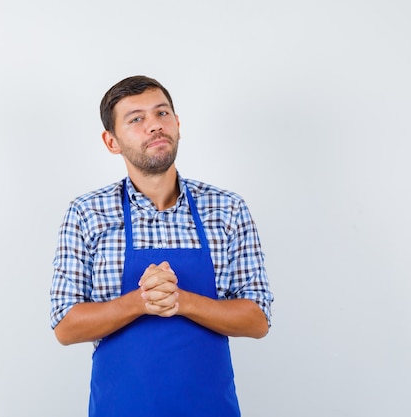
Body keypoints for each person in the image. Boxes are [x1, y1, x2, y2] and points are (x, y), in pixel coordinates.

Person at [50, 75, 273, 417]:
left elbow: (257, 318)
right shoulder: (87, 214)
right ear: (112, 141)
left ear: (178, 125)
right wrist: (141, 301)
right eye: (136, 119)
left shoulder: (227, 209)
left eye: (162, 113)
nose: (154, 126)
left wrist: (181, 300)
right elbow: (66, 325)